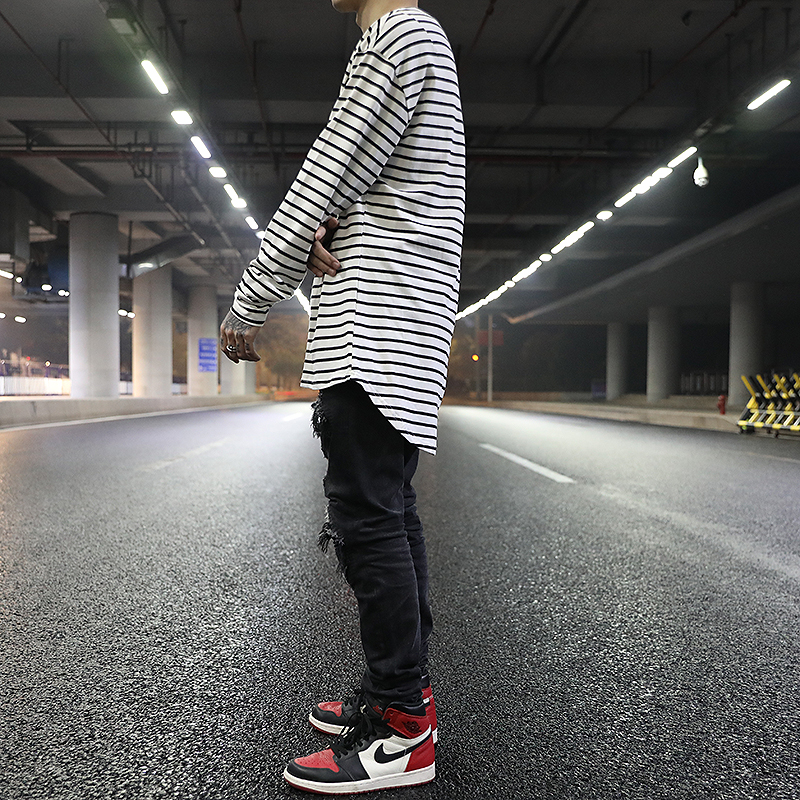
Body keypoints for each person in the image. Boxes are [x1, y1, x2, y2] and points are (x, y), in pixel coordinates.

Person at [219, 0, 464, 793]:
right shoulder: (405, 42)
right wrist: (333, 223)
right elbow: (355, 185)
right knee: (389, 512)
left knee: (367, 521)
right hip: (395, 322)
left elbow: (324, 175)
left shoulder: (400, 36)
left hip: (379, 326)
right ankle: (402, 696)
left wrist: (250, 301)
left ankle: (402, 729)